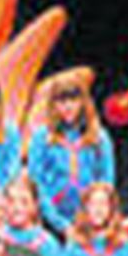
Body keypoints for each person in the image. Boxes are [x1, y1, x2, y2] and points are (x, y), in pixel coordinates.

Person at [28, 76, 114, 235]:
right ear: (52, 105)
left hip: (92, 220)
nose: (68, 107)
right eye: (61, 102)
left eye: (73, 100)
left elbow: (106, 182)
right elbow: (36, 184)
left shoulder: (99, 138)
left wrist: (94, 215)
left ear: (83, 102)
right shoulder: (41, 138)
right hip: (50, 221)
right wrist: (60, 224)